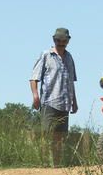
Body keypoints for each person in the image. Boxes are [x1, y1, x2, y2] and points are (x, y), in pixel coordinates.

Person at [30, 27, 78, 166]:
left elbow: (71, 82)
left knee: (60, 139)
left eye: (64, 40)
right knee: (46, 135)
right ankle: (43, 164)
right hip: (49, 102)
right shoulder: (46, 55)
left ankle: (56, 166)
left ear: (68, 41)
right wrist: (35, 96)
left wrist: (74, 102)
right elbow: (34, 78)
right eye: (58, 40)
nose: (61, 43)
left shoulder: (69, 57)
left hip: (65, 104)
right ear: (54, 40)